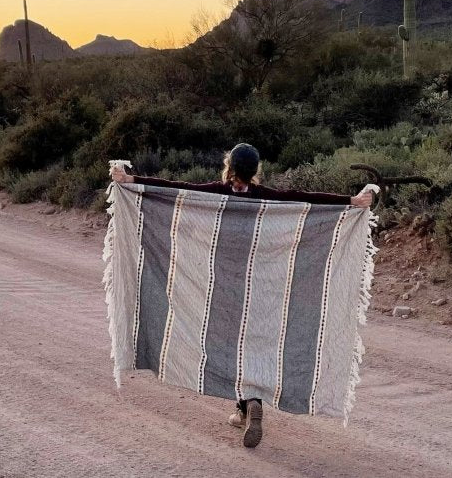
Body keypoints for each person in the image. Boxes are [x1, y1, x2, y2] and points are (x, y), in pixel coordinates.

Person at [110, 142, 375, 448]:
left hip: (221, 288)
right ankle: (250, 403)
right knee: (253, 344)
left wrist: (132, 181)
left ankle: (245, 405)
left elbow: (177, 190)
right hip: (261, 288)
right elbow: (301, 200)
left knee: (225, 345)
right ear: (254, 172)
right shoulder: (265, 198)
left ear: (230, 167)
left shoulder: (216, 193)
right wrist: (350, 201)